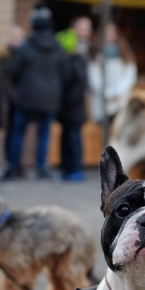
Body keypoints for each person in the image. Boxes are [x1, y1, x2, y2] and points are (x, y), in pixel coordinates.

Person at [3, 6, 66, 181]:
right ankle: (41, 168)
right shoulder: (58, 47)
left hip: (25, 99)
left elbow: (14, 71)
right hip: (49, 100)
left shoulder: (26, 47)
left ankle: (14, 167)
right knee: (44, 135)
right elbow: (64, 73)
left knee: (18, 133)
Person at [56, 22, 89, 182]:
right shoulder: (64, 61)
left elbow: (80, 84)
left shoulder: (77, 60)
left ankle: (75, 168)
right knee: (65, 139)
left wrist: (68, 101)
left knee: (74, 139)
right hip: (65, 109)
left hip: (74, 109)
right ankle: (66, 168)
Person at [88, 22, 137, 125]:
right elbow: (93, 77)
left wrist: (118, 91)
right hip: (102, 100)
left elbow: (129, 75)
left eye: (112, 32)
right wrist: (107, 93)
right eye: (106, 33)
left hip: (120, 100)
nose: (109, 35)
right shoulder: (95, 53)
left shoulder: (124, 54)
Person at [0, 26, 25, 167]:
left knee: (18, 132)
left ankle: (16, 163)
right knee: (10, 131)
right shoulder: (3, 55)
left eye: (19, 37)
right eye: (14, 36)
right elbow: (1, 78)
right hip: (7, 99)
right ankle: (10, 162)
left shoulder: (25, 54)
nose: (16, 40)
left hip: (21, 99)